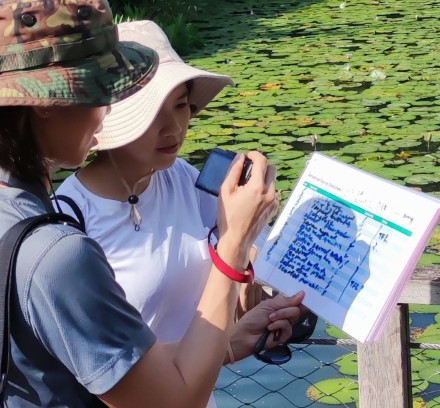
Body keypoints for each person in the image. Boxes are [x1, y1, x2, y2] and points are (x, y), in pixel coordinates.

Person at [0, 0, 289, 408]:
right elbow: (175, 403)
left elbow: (107, 371)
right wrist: (234, 245)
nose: (105, 111)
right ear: (46, 103)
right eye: (100, 89)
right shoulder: (58, 253)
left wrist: (230, 340)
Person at [54, 20, 303, 405]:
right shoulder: (67, 223)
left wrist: (253, 273)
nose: (174, 127)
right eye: (154, 111)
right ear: (110, 118)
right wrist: (236, 255)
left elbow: (242, 252)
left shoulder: (182, 178)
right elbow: (103, 374)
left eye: (182, 105)